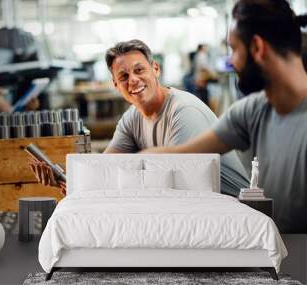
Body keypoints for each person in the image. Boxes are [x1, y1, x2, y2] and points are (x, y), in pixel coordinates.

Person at [141, 0, 307, 234]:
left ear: (257, 47)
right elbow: (180, 155)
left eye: (234, 49)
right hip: (271, 255)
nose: (231, 61)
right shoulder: (254, 111)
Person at [31, 39, 249, 197]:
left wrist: (97, 188)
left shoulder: (183, 111)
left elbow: (176, 183)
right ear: (116, 86)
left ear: (155, 69)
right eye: (124, 76)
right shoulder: (131, 119)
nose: (133, 80)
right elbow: (105, 167)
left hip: (231, 206)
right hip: (194, 205)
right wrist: (66, 177)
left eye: (139, 70)